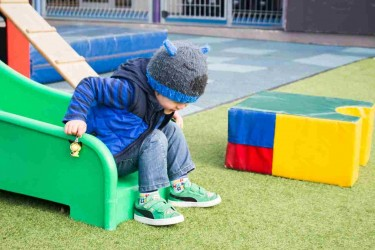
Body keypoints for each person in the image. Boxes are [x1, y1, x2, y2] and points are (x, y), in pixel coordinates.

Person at [63, 39, 221, 226]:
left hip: (130, 144)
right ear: (159, 87)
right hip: (109, 155)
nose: (182, 106)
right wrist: (77, 116)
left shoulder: (159, 92)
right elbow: (89, 85)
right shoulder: (128, 91)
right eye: (177, 101)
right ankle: (147, 201)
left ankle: (180, 186)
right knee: (154, 138)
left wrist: (173, 110)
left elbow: (155, 108)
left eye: (186, 103)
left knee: (170, 129)